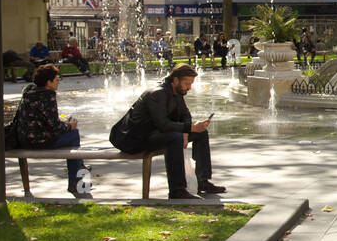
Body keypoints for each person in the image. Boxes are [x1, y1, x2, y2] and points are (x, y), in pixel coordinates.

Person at [108, 63, 225, 200]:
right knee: (175, 138)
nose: (189, 87)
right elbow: (163, 124)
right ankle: (177, 190)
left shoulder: (176, 91)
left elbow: (185, 115)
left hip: (152, 134)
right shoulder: (157, 93)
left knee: (201, 133)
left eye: (191, 83)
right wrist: (189, 128)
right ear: (176, 80)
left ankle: (202, 181)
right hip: (134, 139)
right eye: (187, 83)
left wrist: (187, 133)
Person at [11, 65, 87, 197]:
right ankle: (75, 179)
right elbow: (54, 127)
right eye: (56, 80)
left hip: (23, 139)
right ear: (48, 82)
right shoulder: (48, 95)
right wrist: (70, 126)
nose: (58, 82)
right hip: (39, 141)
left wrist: (65, 125)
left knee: (71, 133)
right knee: (74, 135)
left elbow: (45, 121)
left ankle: (79, 167)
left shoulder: (28, 91)